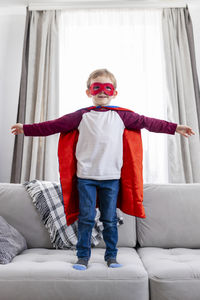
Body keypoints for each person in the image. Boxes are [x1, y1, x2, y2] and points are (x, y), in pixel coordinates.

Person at [11, 68, 195, 271]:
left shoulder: (122, 116)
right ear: (89, 92)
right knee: (86, 218)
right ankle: (83, 257)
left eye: (108, 88)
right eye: (96, 87)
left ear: (114, 92)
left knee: (109, 219)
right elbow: (53, 126)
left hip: (112, 178)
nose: (102, 92)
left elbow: (147, 122)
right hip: (85, 178)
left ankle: (112, 256)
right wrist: (25, 129)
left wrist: (175, 127)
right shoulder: (81, 116)